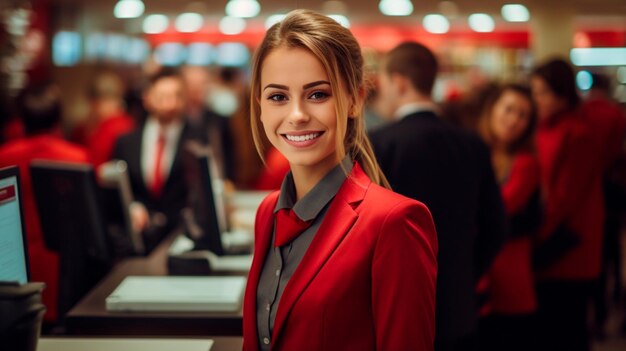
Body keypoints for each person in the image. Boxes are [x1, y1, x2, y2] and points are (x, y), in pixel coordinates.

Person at [243, 10, 438, 351]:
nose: (297, 114)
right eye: (278, 97)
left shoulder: (393, 222)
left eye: (318, 94)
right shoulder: (268, 211)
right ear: (260, 106)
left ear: (355, 100)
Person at [369, 41, 508, 351]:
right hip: (458, 299)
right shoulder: (470, 143)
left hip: (394, 302)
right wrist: (465, 272)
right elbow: (496, 225)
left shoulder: (377, 143)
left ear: (399, 81)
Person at [530, 58, 604, 351]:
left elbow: (565, 197)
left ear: (561, 93)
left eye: (543, 92)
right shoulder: (543, 127)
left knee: (567, 327)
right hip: (552, 239)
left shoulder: (578, 132)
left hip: (568, 244)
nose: (537, 100)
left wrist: (538, 235)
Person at [0, 82, 89, 324]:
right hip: (62, 263)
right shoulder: (76, 157)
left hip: (12, 257)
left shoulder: (4, 156)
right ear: (58, 118)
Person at [475, 84, 541, 351]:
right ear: (493, 110)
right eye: (509, 109)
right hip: (479, 275)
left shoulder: (525, 163)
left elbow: (498, 208)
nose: (514, 120)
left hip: (510, 275)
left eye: (523, 115)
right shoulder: (476, 150)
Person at [112, 67, 191, 252]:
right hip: (137, 242)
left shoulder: (197, 141)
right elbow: (116, 191)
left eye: (176, 96)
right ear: (147, 98)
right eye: (162, 96)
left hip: (180, 239)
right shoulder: (126, 142)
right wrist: (133, 206)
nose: (170, 104)